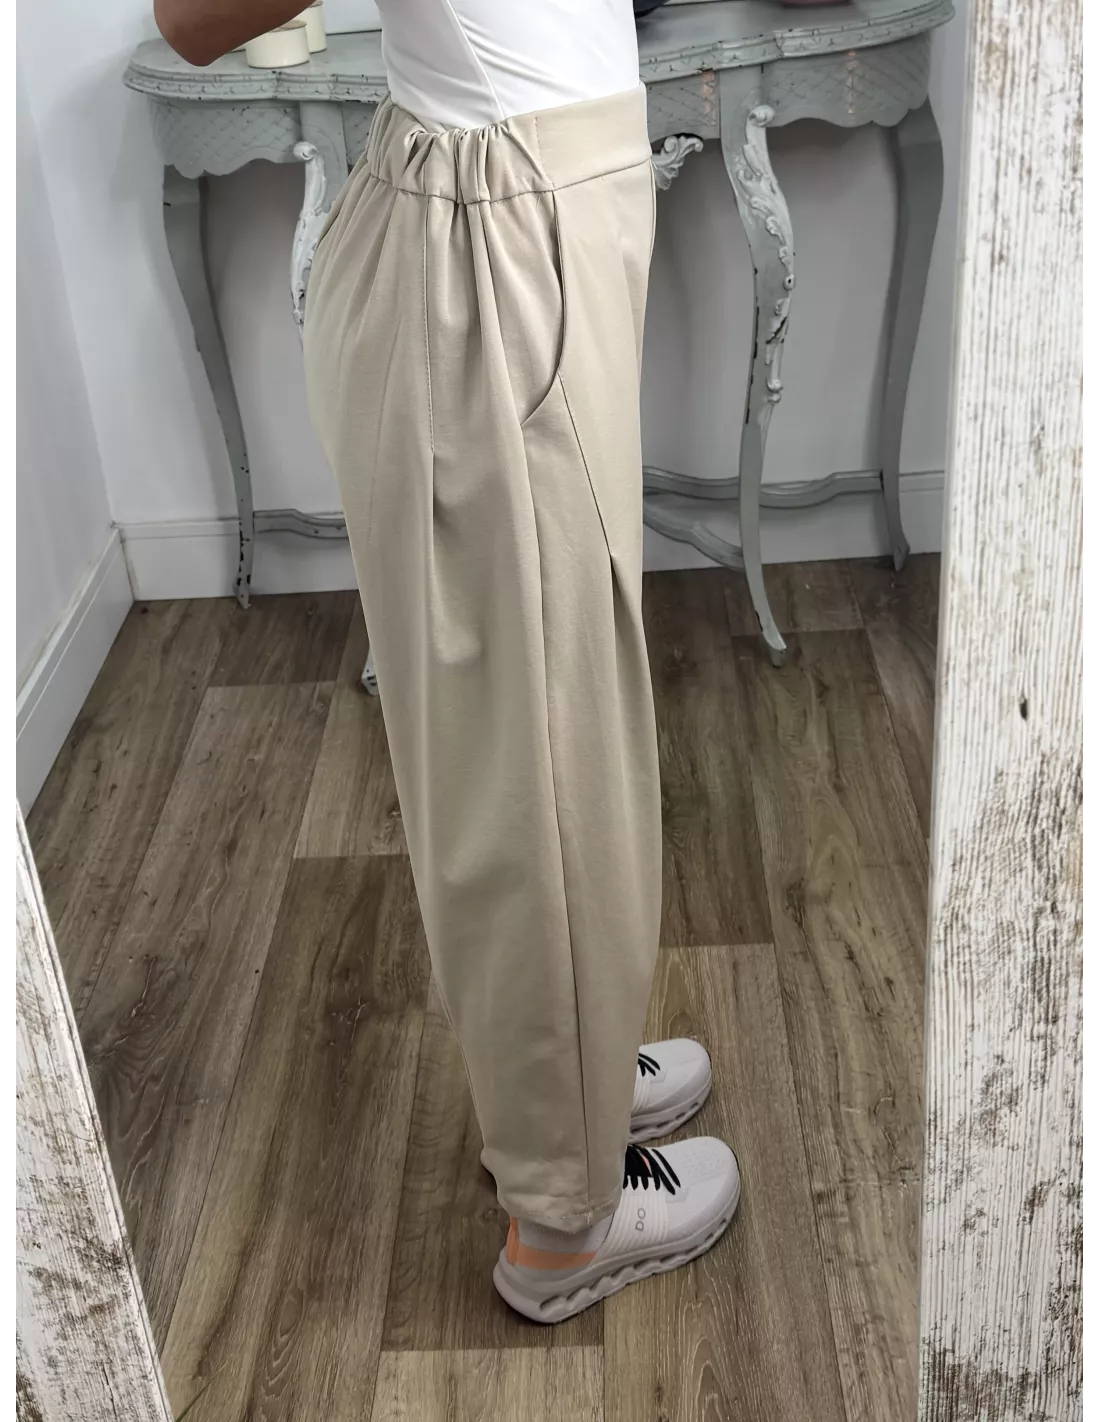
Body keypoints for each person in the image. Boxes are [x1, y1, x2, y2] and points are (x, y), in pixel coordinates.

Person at [155, 0, 739, 1322]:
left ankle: (572, 1080)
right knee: (536, 757)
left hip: (536, 210)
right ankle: (565, 1217)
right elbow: (191, 19)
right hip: (497, 244)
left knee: (565, 717)